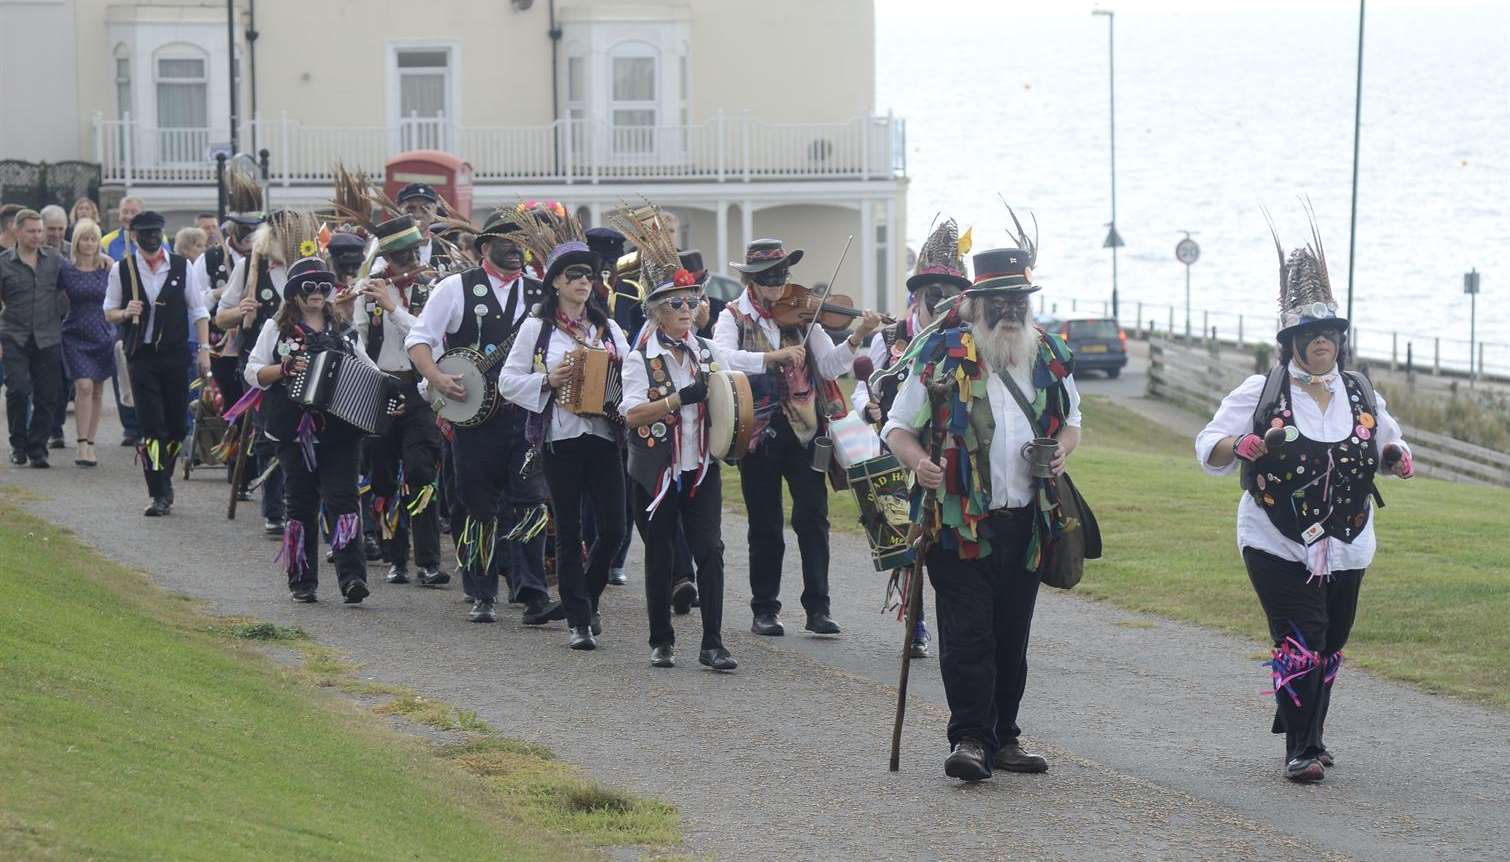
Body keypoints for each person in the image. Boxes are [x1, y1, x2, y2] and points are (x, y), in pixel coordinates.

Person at [1196, 225, 1412, 783]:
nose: (1323, 342)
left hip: (1349, 538)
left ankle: (1310, 732)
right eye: (1312, 333)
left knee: (1332, 640)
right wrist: (1238, 445)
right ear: (1291, 340)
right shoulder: (1261, 391)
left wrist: (1395, 455)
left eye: (1330, 334)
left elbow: (1389, 440)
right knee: (1302, 633)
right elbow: (1208, 445)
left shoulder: (1361, 391)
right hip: (1275, 537)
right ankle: (1300, 747)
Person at [882, 229, 1082, 782]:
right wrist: (919, 462)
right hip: (957, 524)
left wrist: (1061, 453)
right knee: (968, 634)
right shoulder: (941, 357)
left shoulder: (1050, 358)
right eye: (999, 305)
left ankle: (1005, 737)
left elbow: (1073, 424)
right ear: (975, 307)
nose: (1011, 314)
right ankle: (970, 738)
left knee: (1011, 636)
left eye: (1019, 303)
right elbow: (897, 427)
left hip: (1027, 523)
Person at [620, 235, 776, 671]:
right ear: (656, 313)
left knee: (710, 550)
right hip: (656, 472)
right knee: (661, 554)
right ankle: (661, 639)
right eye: (675, 305)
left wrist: (738, 427)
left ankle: (713, 642)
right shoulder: (640, 360)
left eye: (690, 302)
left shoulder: (707, 351)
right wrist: (678, 399)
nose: (686, 310)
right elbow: (631, 414)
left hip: (700, 468)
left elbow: (736, 382)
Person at [712, 238, 881, 638]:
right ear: (751, 280)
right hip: (758, 433)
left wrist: (858, 336)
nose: (777, 287)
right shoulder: (732, 317)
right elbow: (720, 358)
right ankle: (765, 608)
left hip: (806, 431)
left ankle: (818, 608)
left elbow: (830, 364)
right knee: (766, 524)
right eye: (768, 279)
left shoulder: (804, 314)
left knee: (813, 518)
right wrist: (771, 358)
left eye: (781, 277)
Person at [407, 208, 563, 626]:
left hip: (527, 415)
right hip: (474, 420)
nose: (516, 250)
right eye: (506, 242)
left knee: (530, 501)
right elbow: (419, 339)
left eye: (521, 243)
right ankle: (481, 591)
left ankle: (531, 591)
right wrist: (437, 377)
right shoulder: (454, 288)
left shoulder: (541, 292)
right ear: (484, 247)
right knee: (477, 504)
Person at [499, 215, 630, 650]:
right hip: (561, 437)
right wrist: (549, 381)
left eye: (589, 275)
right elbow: (506, 382)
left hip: (605, 436)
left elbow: (630, 374)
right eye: (573, 275)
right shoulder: (537, 330)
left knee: (613, 528)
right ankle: (579, 620)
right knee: (569, 530)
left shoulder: (607, 328)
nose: (583, 282)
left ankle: (584, 598)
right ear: (554, 282)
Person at [853, 219, 972, 659]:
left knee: (945, 538)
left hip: (946, 455)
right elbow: (861, 385)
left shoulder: (962, 341)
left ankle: (955, 624)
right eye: (931, 293)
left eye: (948, 292)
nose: (939, 301)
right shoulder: (890, 337)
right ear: (918, 295)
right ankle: (916, 622)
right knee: (904, 539)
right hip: (896, 450)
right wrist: (867, 407)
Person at [244, 256, 381, 604]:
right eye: (310, 287)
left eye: (324, 286)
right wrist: (284, 368)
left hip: (341, 430)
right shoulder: (276, 330)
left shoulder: (345, 330)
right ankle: (302, 581)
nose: (318, 293)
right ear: (293, 293)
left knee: (344, 500)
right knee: (301, 503)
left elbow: (368, 368)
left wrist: (389, 394)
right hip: (293, 429)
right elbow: (252, 372)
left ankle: (352, 579)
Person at [353, 217, 449, 588]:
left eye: (413, 251)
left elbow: (431, 339)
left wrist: (394, 309)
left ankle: (427, 562)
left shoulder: (431, 289)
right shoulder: (369, 290)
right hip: (380, 388)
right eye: (400, 254)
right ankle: (396, 559)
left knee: (421, 471)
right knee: (383, 478)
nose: (410, 258)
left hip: (420, 389)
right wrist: (374, 378)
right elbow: (358, 341)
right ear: (387, 257)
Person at [102, 211, 212, 514]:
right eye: (145, 233)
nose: (151, 238)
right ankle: (158, 491)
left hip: (176, 355)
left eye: (156, 233)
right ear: (134, 236)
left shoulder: (181, 266)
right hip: (142, 355)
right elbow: (108, 310)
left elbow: (199, 310)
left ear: (162, 235)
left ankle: (165, 475)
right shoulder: (122, 270)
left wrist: (203, 349)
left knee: (176, 428)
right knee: (152, 428)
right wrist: (125, 312)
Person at [218, 210, 314, 535]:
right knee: (268, 436)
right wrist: (238, 311)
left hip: (306, 367)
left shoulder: (311, 269)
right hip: (261, 370)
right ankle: (273, 510)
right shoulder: (250, 268)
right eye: (275, 232)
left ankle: (299, 503)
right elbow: (221, 318)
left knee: (305, 434)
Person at [1, 209, 68, 468]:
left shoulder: (54, 258)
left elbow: (79, 273)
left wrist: (104, 259)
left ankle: (38, 448)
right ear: (17, 231)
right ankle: (18, 445)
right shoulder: (4, 262)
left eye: (40, 230)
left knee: (47, 395)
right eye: (31, 231)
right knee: (18, 390)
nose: (38, 236)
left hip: (47, 336)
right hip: (13, 336)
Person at [58, 218, 116, 467]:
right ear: (77, 242)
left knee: (97, 390)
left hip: (103, 332)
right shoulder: (66, 269)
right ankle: (80, 443)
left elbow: (122, 291)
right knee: (83, 386)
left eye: (93, 238)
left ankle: (91, 443)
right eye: (84, 238)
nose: (89, 243)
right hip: (75, 333)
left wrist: (113, 262)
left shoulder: (108, 267)